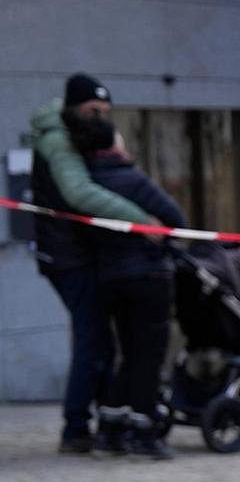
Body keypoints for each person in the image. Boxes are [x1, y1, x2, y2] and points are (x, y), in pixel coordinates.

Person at [27, 74, 158, 454]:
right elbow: (79, 192)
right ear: (74, 107)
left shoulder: (72, 133)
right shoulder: (58, 140)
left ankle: (103, 420)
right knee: (93, 341)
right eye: (93, 110)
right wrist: (141, 221)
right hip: (70, 257)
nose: (100, 118)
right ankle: (76, 428)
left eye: (105, 111)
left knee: (100, 341)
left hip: (79, 254)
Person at [73, 123, 183, 459]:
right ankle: (144, 433)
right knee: (148, 356)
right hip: (148, 277)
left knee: (127, 354)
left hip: (110, 279)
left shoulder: (85, 185)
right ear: (112, 144)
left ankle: (110, 429)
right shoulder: (130, 179)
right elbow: (175, 217)